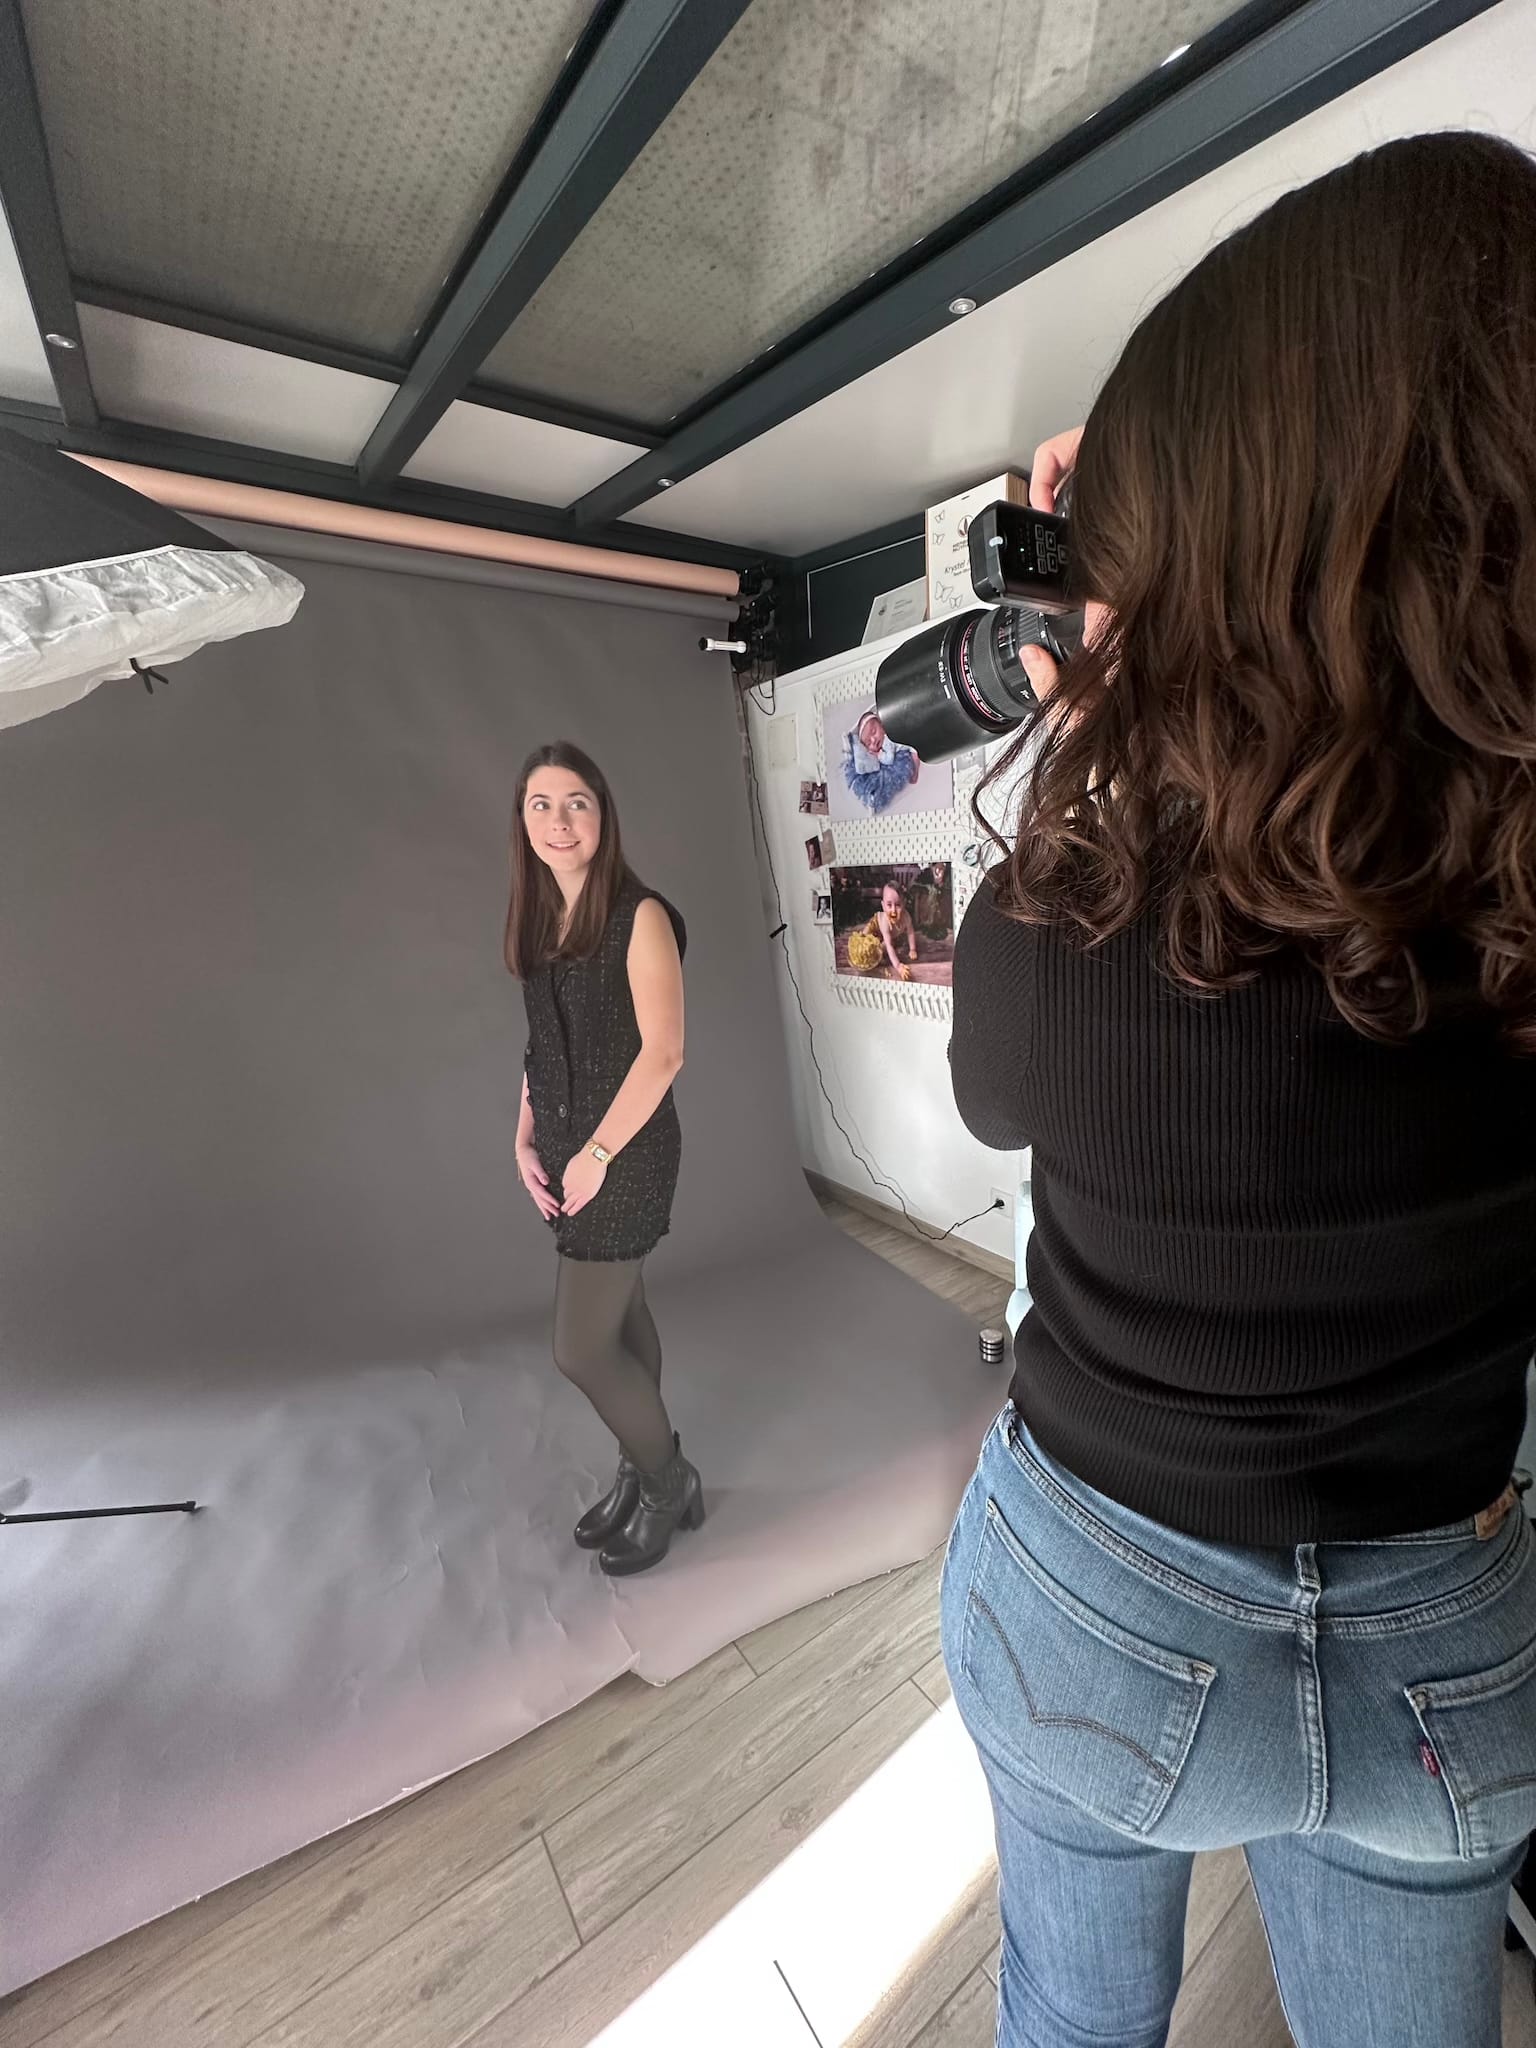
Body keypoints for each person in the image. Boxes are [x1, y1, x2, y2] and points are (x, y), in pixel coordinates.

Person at [944, 132, 1536, 2048]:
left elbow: (986, 1096)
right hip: (1452, 1644)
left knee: (1071, 2009)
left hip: (1102, 1605)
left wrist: (1087, 714)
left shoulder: (1072, 910)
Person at [505, 741, 702, 1577]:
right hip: (568, 1150)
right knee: (622, 1321)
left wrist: (592, 1154)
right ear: (523, 821)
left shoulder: (640, 914)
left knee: (579, 1348)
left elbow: (663, 1054)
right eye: (542, 804)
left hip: (624, 1153)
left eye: (577, 801)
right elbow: (540, 1044)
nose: (560, 820)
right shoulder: (541, 918)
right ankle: (642, 1462)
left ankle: (668, 1480)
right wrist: (522, 1133)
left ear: (603, 814)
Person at [841, 706, 920, 813]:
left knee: (915, 757)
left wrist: (879, 754)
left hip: (912, 743)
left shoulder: (887, 740)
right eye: (868, 743)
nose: (873, 740)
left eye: (873, 731)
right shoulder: (884, 736)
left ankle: (915, 775)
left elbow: (889, 759)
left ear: (881, 724)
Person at [862, 880, 919, 981]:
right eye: (889, 905)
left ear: (904, 904)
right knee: (865, 938)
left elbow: (910, 933)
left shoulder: (906, 917)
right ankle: (861, 938)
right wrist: (898, 966)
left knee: (883, 946)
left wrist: (912, 949)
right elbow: (889, 946)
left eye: (898, 905)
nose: (893, 910)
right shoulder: (884, 922)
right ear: (883, 906)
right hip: (876, 924)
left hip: (889, 934)